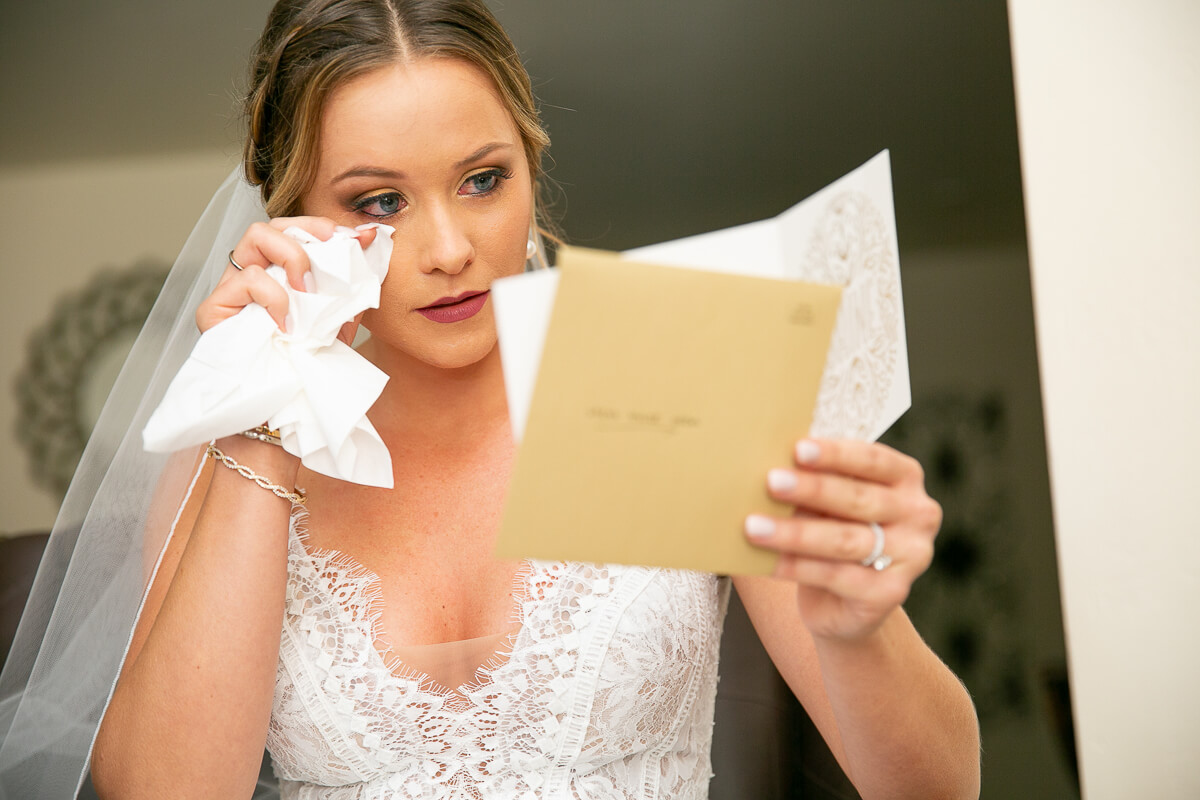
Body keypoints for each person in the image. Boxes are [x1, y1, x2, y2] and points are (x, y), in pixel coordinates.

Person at [1, 1, 980, 798]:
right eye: (379, 201)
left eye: (481, 180)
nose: (448, 248)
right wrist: (265, 408)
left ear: (530, 165)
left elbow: (939, 788)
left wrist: (860, 629)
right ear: (292, 220)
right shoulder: (226, 461)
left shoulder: (683, 370)